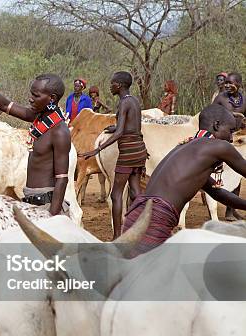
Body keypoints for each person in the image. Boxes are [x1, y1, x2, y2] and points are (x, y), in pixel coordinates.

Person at [122, 104, 246, 256]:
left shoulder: (186, 146)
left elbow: (218, 193)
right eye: (231, 131)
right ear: (217, 125)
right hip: (155, 219)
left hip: (137, 215)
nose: (231, 138)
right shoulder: (219, 146)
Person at [0, 74, 71, 216]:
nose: (31, 99)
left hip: (48, 206)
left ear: (52, 98)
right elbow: (5, 105)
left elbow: (62, 179)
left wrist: (53, 218)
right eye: (31, 94)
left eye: (36, 96)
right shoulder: (40, 117)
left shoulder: (59, 132)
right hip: (32, 202)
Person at [80, 71, 147, 239]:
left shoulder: (124, 103)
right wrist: (114, 128)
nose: (110, 86)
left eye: (112, 83)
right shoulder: (133, 101)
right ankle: (141, 232)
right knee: (136, 192)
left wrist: (96, 150)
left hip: (128, 152)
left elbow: (120, 134)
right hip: (139, 150)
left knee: (116, 194)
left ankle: (117, 237)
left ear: (119, 85)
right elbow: (130, 127)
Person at [213, 71, 246, 221]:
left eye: (230, 83)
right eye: (225, 82)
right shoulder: (220, 98)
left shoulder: (244, 100)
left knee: (237, 175)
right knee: (215, 174)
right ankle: (212, 211)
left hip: (238, 141)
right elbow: (210, 115)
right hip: (222, 139)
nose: (227, 85)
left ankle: (231, 211)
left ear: (238, 84)